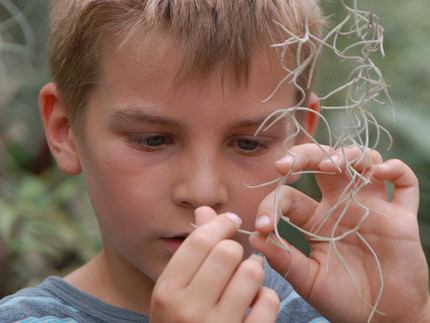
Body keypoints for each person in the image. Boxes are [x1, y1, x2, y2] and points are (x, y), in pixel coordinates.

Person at [1, 0, 429, 322]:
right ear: (65, 129)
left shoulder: (334, 311)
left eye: (249, 144)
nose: (204, 191)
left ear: (299, 138)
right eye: (152, 139)